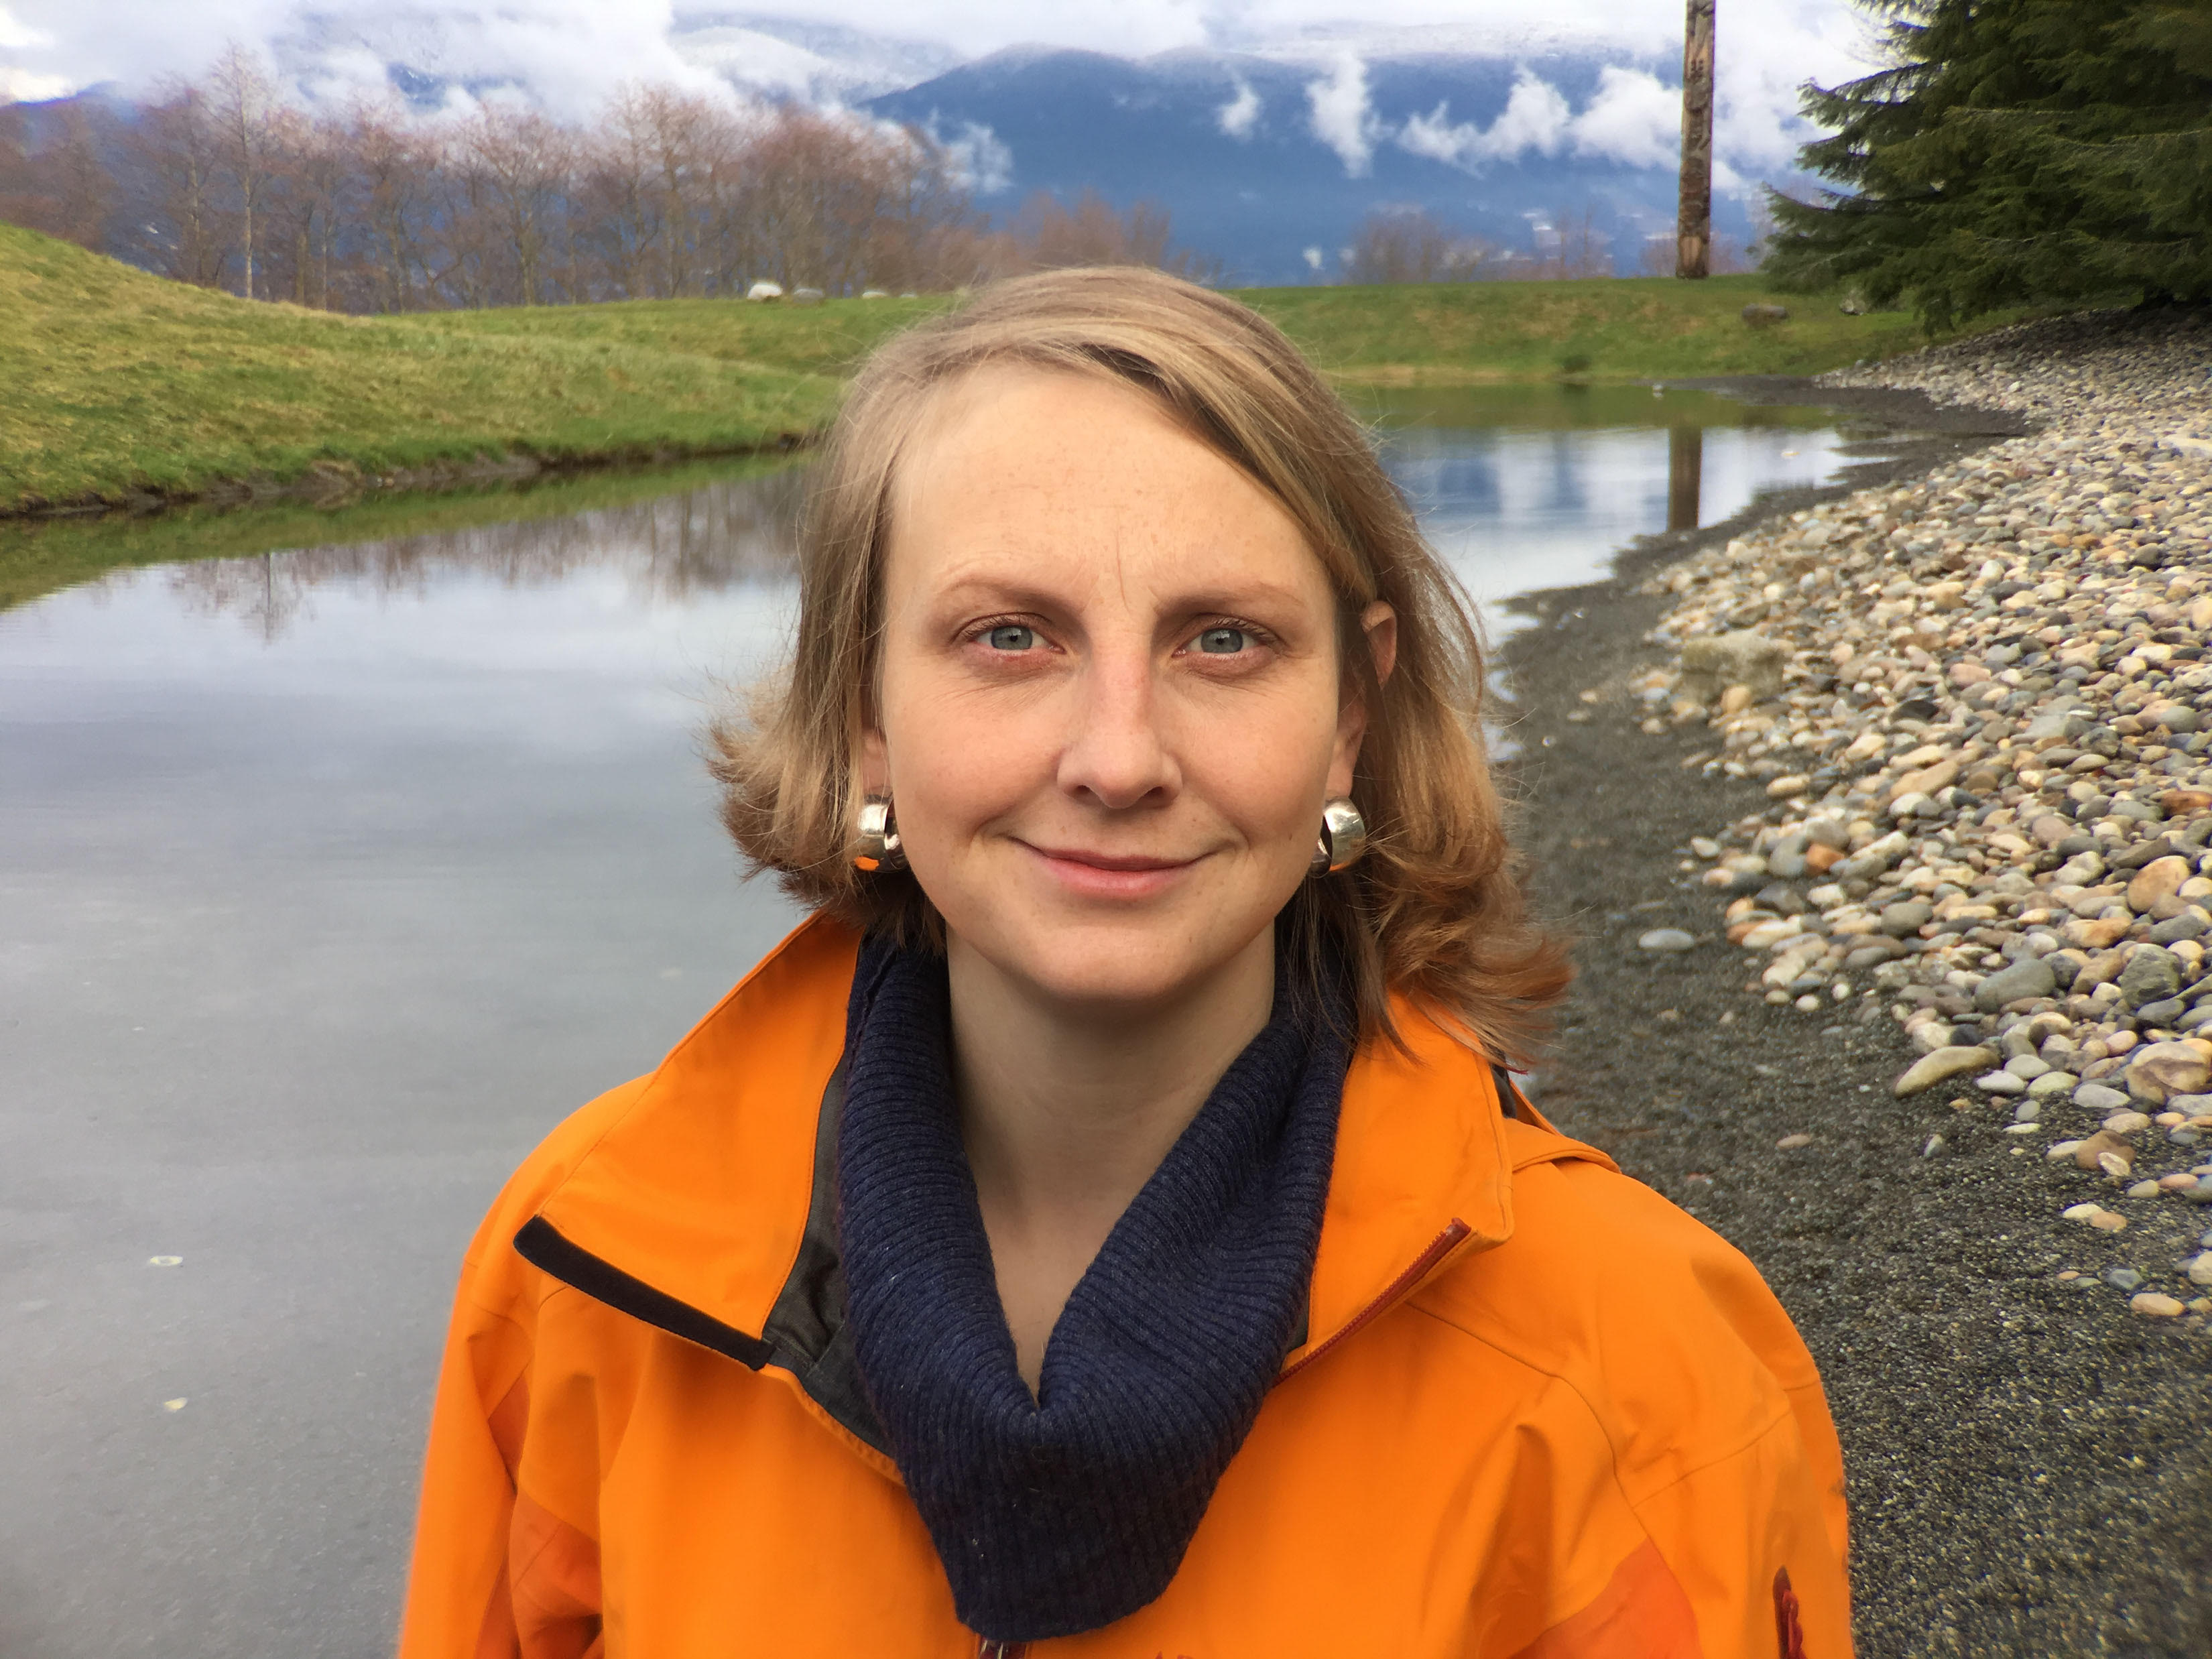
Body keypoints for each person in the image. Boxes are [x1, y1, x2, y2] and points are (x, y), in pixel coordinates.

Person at [397, 267, 1851, 1659]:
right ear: (866, 710)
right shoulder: (584, 1273)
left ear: (1351, 712)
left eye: (1224, 639)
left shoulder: (1637, 1358)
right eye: (1010, 635)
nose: (1117, 758)